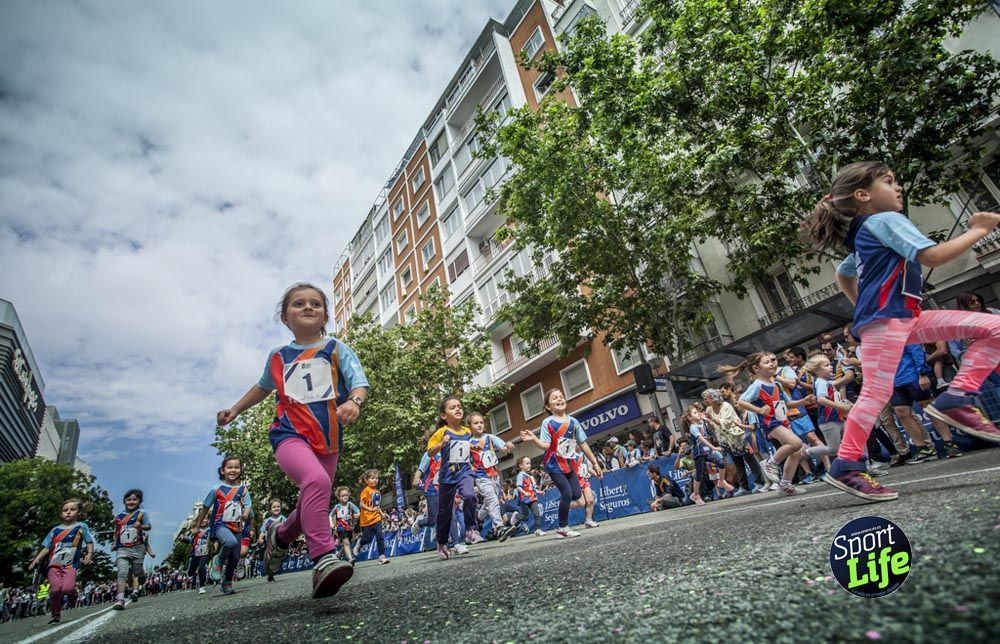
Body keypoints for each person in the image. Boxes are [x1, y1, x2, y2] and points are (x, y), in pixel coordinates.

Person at [802, 161, 1000, 500]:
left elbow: (843, 274)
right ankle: (846, 465)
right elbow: (933, 256)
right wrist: (979, 230)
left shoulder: (865, 233)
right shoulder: (885, 221)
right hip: (887, 322)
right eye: (888, 181)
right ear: (862, 195)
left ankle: (956, 397)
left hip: (904, 318)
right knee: (874, 395)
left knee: (994, 326)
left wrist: (865, 306)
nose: (898, 187)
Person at [217, 282, 368, 598]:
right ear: (285, 317)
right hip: (288, 436)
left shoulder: (337, 349)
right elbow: (262, 388)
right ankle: (324, 558)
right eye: (299, 303)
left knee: (312, 497)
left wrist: (354, 401)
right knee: (316, 481)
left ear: (325, 315)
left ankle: (281, 537)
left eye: (316, 303)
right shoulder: (278, 356)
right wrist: (235, 409)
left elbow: (359, 383)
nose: (308, 307)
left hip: (328, 440)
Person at [519, 388, 603, 538]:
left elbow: (583, 444)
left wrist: (595, 463)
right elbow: (546, 445)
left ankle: (563, 505)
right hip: (553, 465)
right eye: (554, 398)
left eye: (561, 396)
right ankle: (562, 528)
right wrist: (534, 439)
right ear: (548, 406)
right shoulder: (548, 422)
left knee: (576, 495)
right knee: (567, 493)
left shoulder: (574, 422)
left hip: (569, 465)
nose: (559, 399)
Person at [725, 352, 811, 496]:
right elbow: (741, 402)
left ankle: (785, 484)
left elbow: (788, 403)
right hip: (769, 422)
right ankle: (770, 463)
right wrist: (759, 410)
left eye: (772, 361)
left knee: (796, 451)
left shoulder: (777, 384)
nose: (772, 364)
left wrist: (804, 401)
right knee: (796, 443)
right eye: (766, 362)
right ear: (756, 368)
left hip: (782, 421)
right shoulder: (757, 385)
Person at [427, 396, 479, 560]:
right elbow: (430, 452)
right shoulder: (442, 432)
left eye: (459, 406)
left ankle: (471, 529)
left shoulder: (467, 431)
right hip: (448, 475)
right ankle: (442, 543)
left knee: (470, 495)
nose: (457, 409)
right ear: (444, 415)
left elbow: (465, 446)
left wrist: (473, 446)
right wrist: (441, 443)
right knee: (445, 512)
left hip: (464, 471)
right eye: (452, 407)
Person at [28, 498, 94, 625]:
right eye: (65, 510)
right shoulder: (55, 530)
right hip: (54, 565)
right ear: (61, 513)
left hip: (70, 565)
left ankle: (73, 594)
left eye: (72, 509)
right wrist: (37, 559)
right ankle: (55, 615)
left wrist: (89, 554)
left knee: (67, 588)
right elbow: (47, 547)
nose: (68, 512)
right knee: (55, 590)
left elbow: (89, 542)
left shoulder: (81, 527)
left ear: (79, 512)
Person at [193, 456, 251, 595]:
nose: (233, 470)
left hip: (237, 526)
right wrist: (196, 526)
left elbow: (248, 505)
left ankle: (227, 582)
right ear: (222, 470)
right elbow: (205, 509)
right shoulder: (216, 489)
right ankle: (218, 560)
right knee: (230, 542)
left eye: (236, 467)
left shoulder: (243, 489)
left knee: (235, 557)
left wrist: (245, 513)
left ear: (241, 470)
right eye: (229, 467)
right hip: (220, 525)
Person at [701, 389, 762, 495]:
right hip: (725, 440)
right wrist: (708, 421)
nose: (704, 401)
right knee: (737, 463)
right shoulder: (709, 409)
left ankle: (760, 482)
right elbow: (711, 427)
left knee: (750, 459)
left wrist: (712, 419)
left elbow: (727, 422)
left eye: (706, 398)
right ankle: (744, 487)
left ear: (713, 398)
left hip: (737, 437)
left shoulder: (726, 406)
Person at [468, 411, 513, 541]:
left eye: (481, 422)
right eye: (476, 423)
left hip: (495, 475)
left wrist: (508, 446)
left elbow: (503, 448)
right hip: (481, 477)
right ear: (470, 426)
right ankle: (499, 527)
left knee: (490, 502)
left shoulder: (490, 437)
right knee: (492, 500)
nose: (479, 425)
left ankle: (478, 517)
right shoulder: (468, 443)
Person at [683, 404, 735, 505]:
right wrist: (714, 447)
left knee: (721, 463)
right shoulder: (693, 428)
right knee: (699, 474)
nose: (698, 414)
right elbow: (702, 439)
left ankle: (721, 481)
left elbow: (711, 428)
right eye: (695, 413)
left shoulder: (702, 422)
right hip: (699, 454)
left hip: (706, 452)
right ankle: (696, 494)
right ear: (690, 418)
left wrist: (707, 419)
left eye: (698, 412)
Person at [110, 489, 151, 609]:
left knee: (137, 572)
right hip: (122, 548)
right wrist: (115, 543)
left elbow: (148, 526)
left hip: (137, 548)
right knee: (122, 572)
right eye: (128, 499)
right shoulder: (119, 517)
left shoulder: (141, 513)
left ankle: (142, 577)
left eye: (134, 499)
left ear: (139, 501)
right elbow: (117, 531)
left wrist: (141, 526)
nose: (131, 502)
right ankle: (120, 599)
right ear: (124, 501)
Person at [357, 470, 390, 564]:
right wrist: (370, 509)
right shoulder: (366, 490)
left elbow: (377, 506)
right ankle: (359, 543)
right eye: (372, 478)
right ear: (366, 480)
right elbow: (361, 504)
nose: (375, 480)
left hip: (376, 518)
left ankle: (382, 556)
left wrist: (382, 514)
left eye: (376, 478)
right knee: (367, 539)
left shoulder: (377, 492)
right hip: (366, 520)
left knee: (380, 536)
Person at [511, 455, 544, 537]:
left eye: (530, 463)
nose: (529, 465)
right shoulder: (520, 475)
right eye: (527, 463)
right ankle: (516, 516)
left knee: (537, 513)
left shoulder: (530, 477)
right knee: (525, 517)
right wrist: (524, 493)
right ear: (521, 466)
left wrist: (539, 492)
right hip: (524, 499)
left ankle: (538, 529)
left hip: (533, 498)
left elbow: (533, 488)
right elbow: (518, 487)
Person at [257, 498, 286, 581]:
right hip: (270, 544)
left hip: (280, 543)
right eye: (274, 507)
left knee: (279, 558)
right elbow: (263, 531)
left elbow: (288, 529)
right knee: (268, 559)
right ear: (270, 509)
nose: (276, 508)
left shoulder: (283, 519)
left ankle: (277, 567)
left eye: (278, 506)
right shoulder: (267, 521)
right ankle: (270, 574)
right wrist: (260, 538)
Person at [329, 487, 360, 564]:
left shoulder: (350, 505)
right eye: (343, 496)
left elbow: (358, 512)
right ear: (339, 497)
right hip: (340, 528)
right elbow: (330, 515)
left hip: (349, 528)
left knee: (348, 543)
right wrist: (331, 524)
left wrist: (357, 515)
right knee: (346, 542)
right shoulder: (337, 506)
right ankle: (350, 559)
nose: (345, 497)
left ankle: (339, 554)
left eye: (346, 495)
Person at [186, 517, 211, 594]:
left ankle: (202, 586)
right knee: (191, 572)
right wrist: (184, 538)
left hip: (205, 552)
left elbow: (214, 538)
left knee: (201, 568)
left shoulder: (210, 529)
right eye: (202, 519)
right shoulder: (195, 530)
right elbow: (190, 539)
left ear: (208, 520)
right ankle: (191, 572)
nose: (203, 520)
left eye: (205, 519)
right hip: (195, 553)